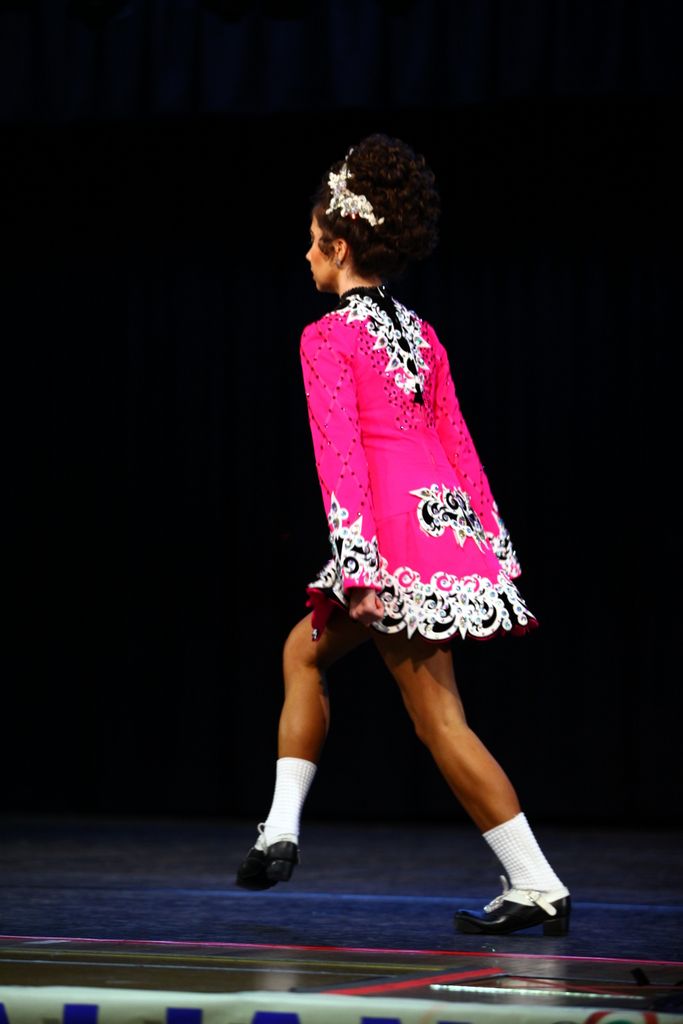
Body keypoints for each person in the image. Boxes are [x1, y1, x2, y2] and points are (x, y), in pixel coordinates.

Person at [235, 134, 570, 937]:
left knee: (437, 718)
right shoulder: (422, 333)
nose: (304, 255)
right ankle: (278, 829)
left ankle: (536, 882)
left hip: (390, 540)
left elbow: (340, 456)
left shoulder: (326, 337)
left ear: (339, 245)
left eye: (311, 239)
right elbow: (459, 446)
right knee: (303, 652)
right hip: (443, 529)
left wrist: (357, 563)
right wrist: (492, 546)